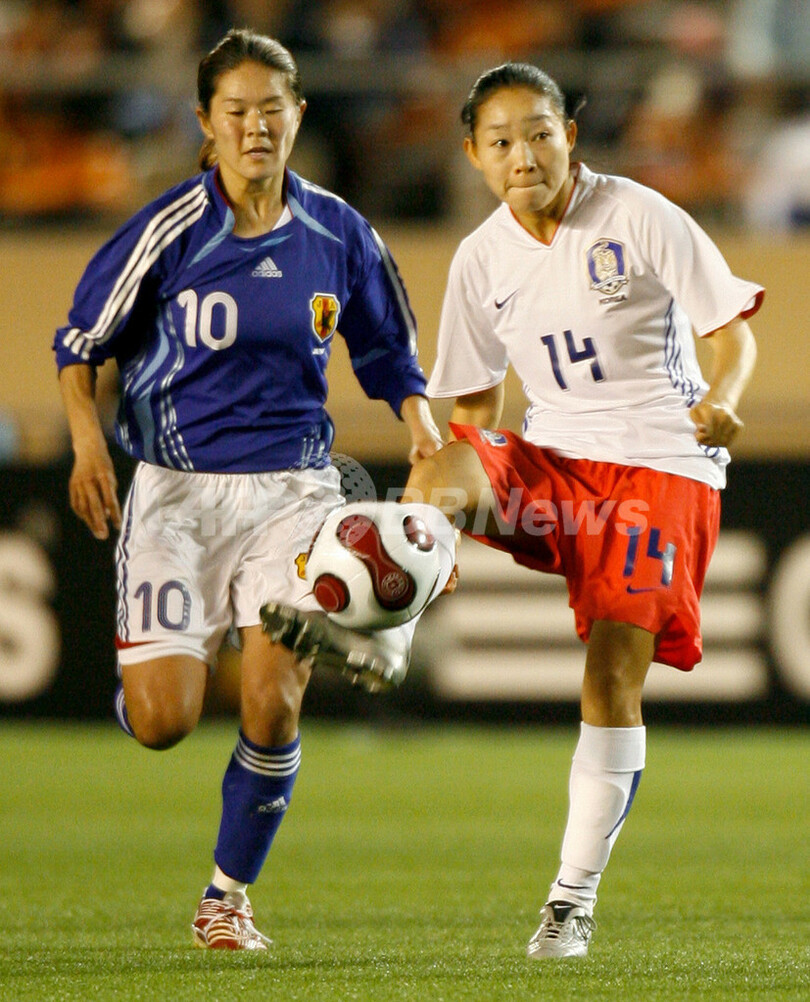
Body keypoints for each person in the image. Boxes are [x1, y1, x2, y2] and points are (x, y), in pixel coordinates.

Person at [53, 27, 454, 951]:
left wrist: (422, 429)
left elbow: (391, 352)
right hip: (176, 496)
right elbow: (80, 346)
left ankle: (226, 900)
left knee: (275, 701)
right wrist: (86, 445)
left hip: (293, 495)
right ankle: (168, 668)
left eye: (272, 108)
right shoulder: (166, 230)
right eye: (236, 111)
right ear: (207, 123)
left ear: (299, 114)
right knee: (162, 724)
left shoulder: (340, 231)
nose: (256, 126)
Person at [401, 62, 761, 958]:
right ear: (472, 154)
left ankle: (571, 898)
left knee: (609, 680)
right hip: (559, 471)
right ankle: (386, 629)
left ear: (571, 135)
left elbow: (733, 333)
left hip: (660, 469)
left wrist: (722, 400)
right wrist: (442, 517)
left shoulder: (638, 214)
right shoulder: (480, 257)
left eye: (538, 133)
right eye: (500, 141)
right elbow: (476, 412)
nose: (521, 154)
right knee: (438, 463)